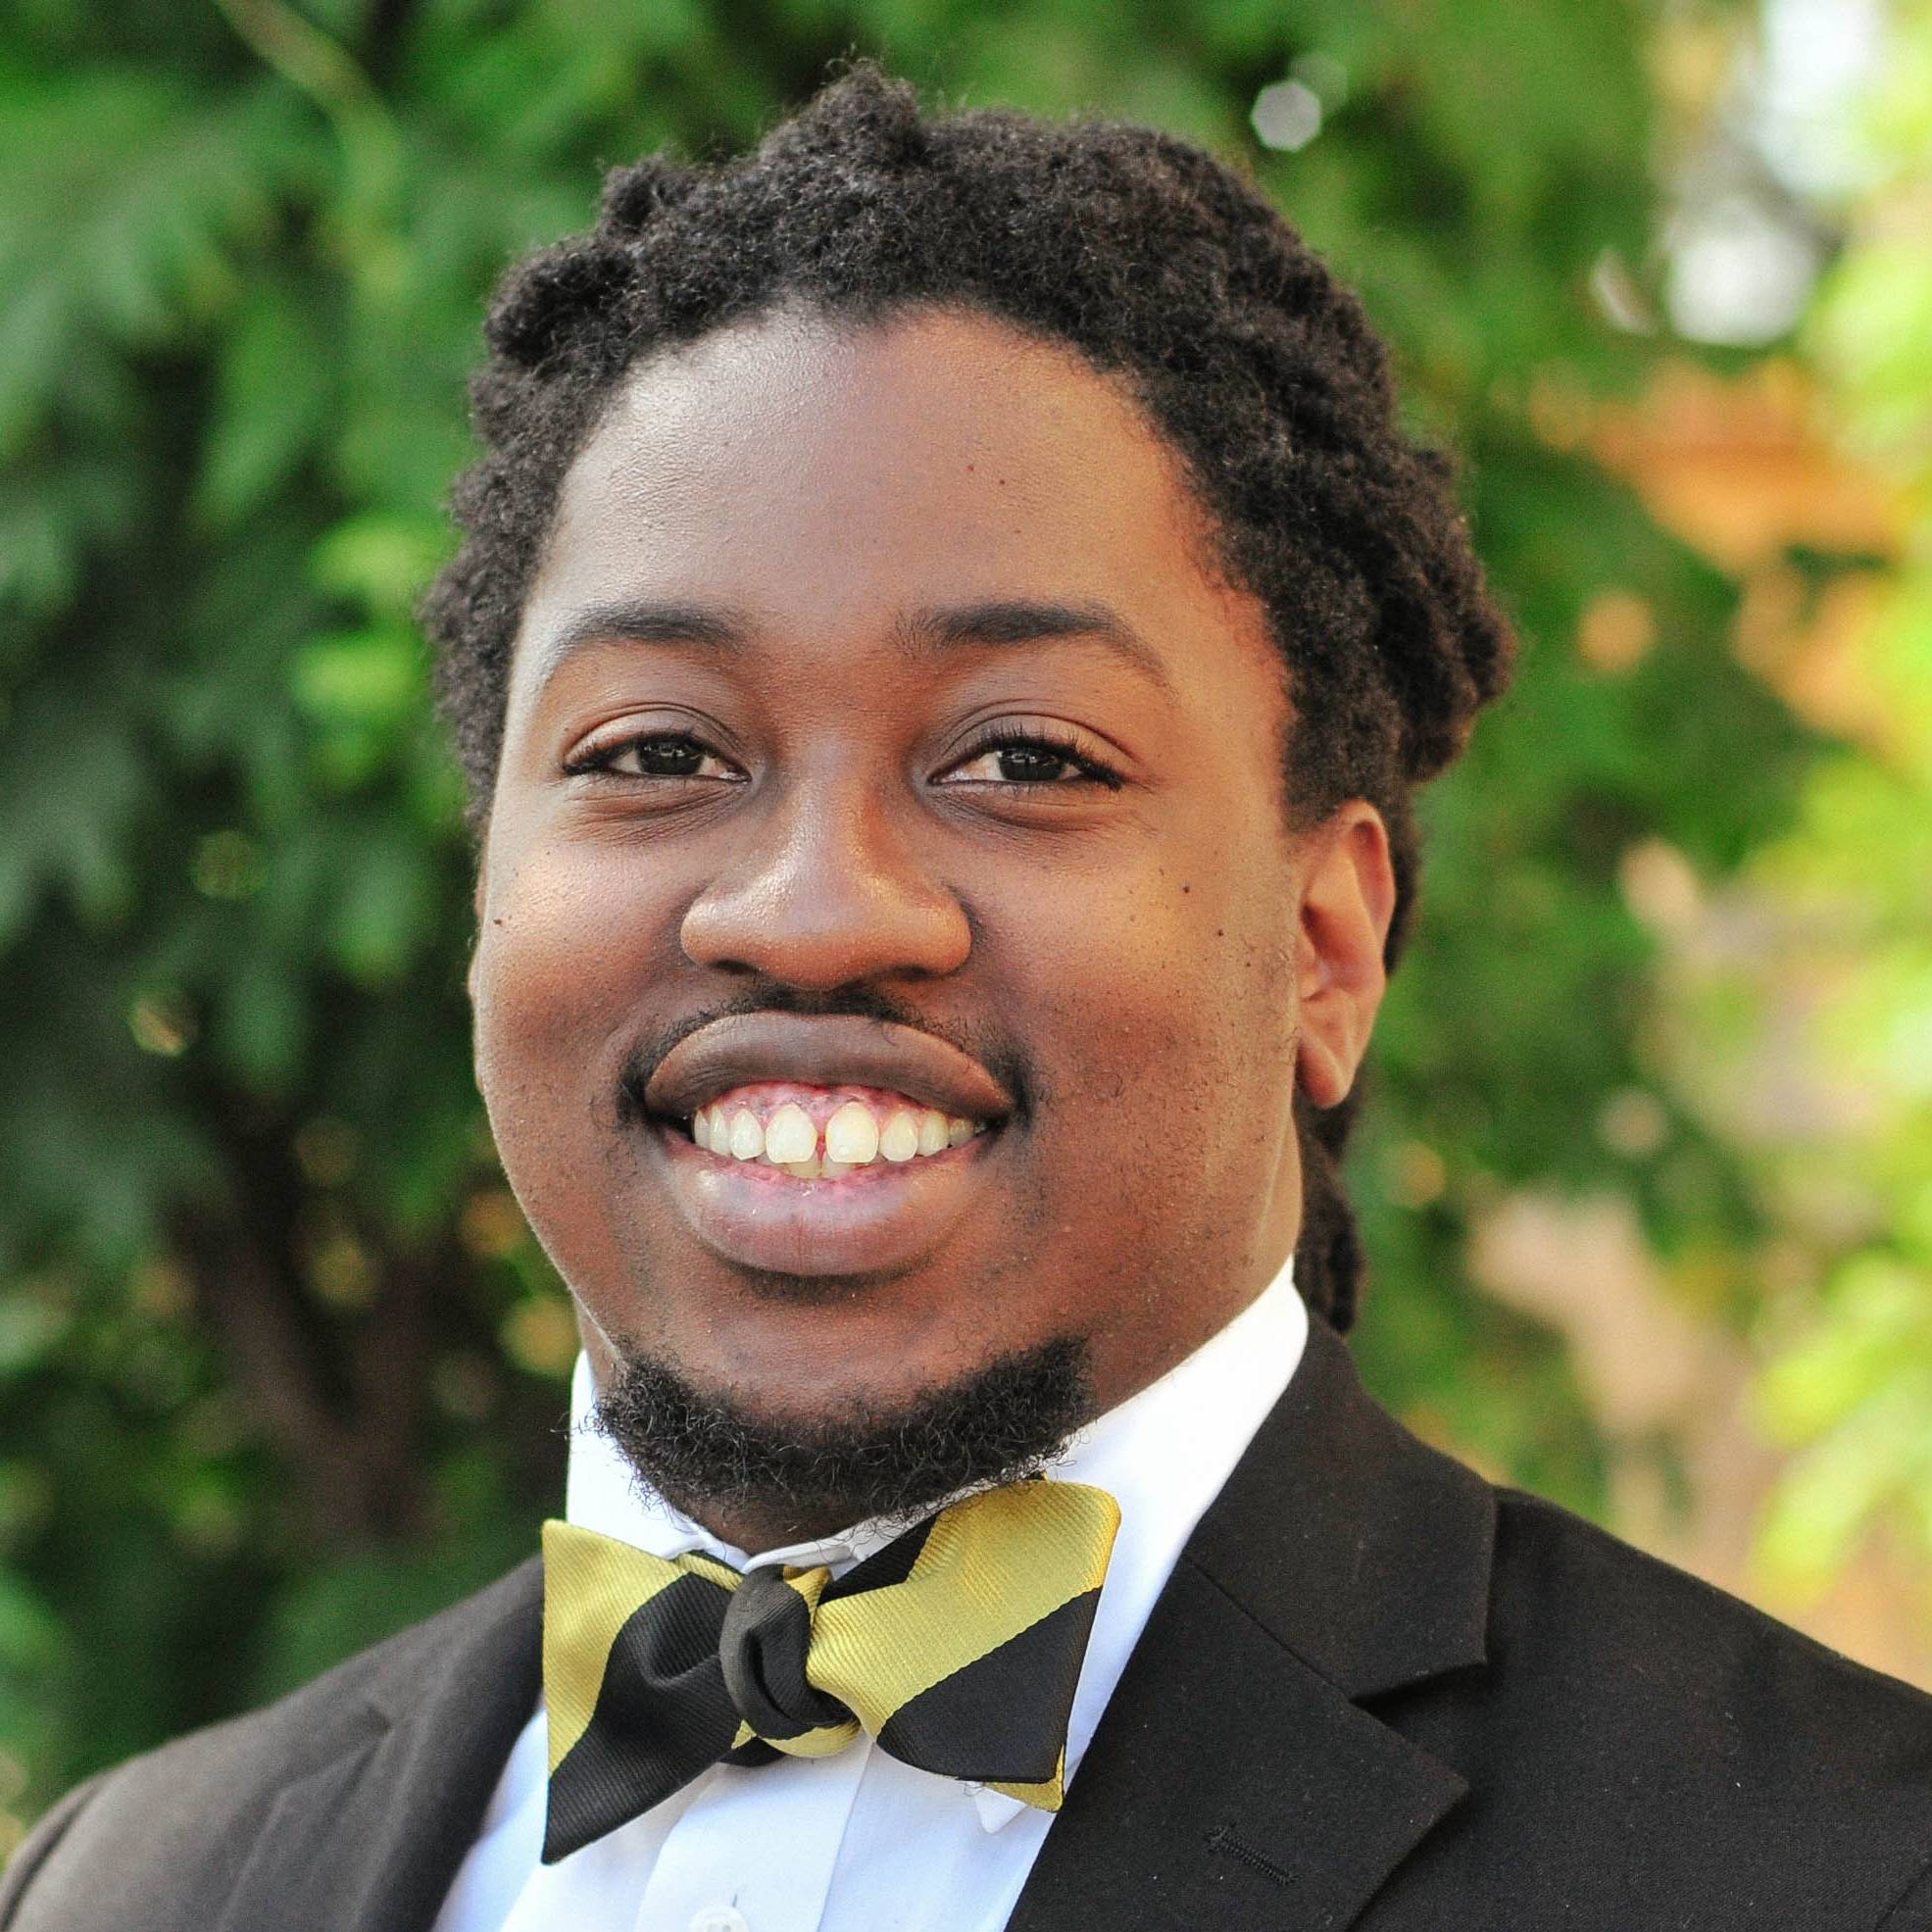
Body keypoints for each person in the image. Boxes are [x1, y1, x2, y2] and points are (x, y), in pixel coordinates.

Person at [7, 62, 1932, 1932]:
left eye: (1022, 759)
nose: (814, 911)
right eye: (655, 747)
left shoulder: (1838, 1868)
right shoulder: (130, 1880)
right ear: (492, 887)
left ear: (1326, 950)